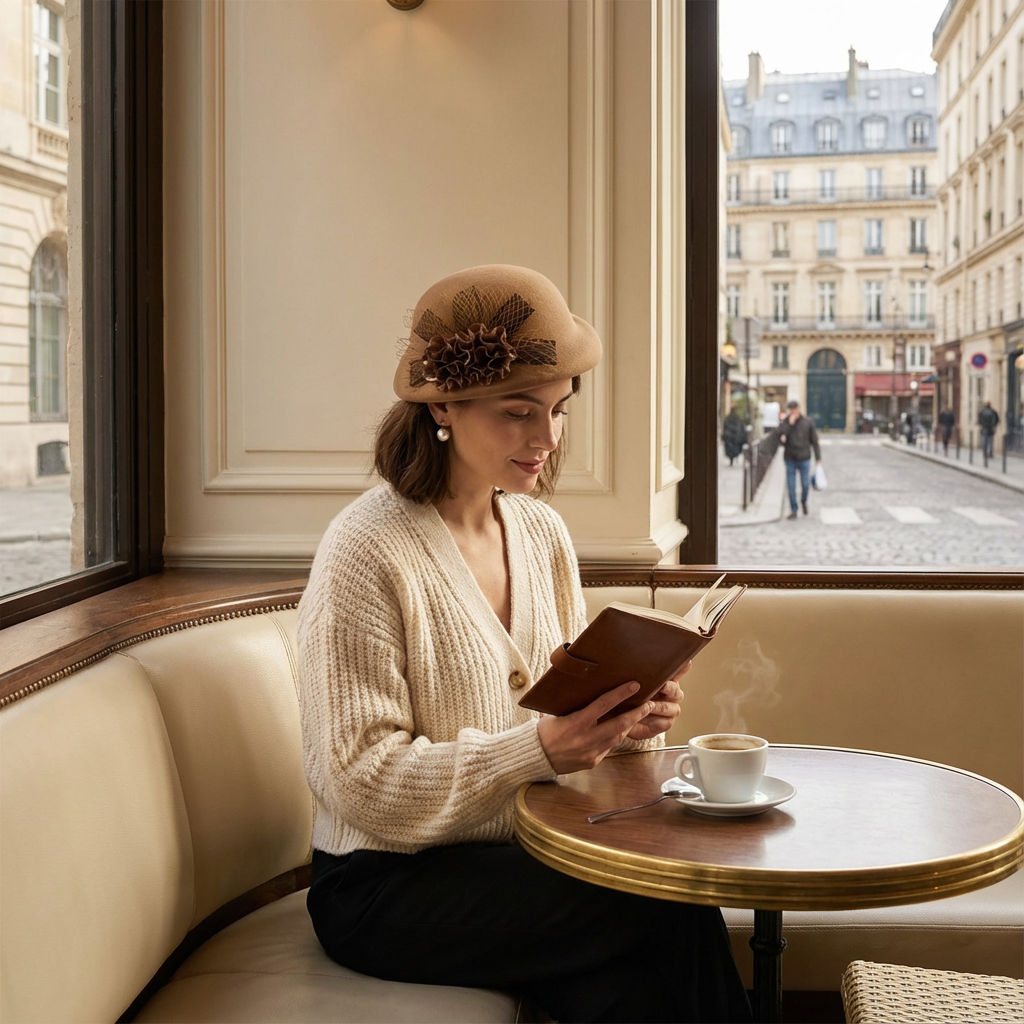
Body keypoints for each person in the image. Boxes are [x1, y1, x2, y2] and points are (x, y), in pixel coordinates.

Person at [297, 265, 751, 1024]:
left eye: (558, 411)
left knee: (626, 995)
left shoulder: (540, 533)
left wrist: (627, 720)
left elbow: (563, 719)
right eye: (517, 413)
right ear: (441, 403)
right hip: (382, 884)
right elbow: (358, 781)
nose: (547, 439)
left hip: (523, 860)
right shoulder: (364, 550)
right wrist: (536, 753)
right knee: (670, 900)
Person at [774, 399, 822, 520]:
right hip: (790, 458)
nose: (793, 412)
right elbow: (779, 436)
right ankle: (794, 510)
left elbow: (815, 441)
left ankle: (803, 502)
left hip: (804, 458)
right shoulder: (785, 422)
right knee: (791, 486)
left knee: (805, 484)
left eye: (795, 410)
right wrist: (790, 424)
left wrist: (818, 458)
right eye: (791, 410)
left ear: (799, 409)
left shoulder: (807, 422)